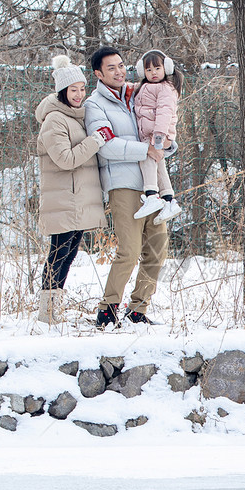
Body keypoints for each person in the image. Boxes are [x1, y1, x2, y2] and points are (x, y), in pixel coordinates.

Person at [84, 46, 174, 328]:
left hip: (153, 187)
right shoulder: (95, 104)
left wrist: (166, 146)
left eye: (121, 65)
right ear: (98, 73)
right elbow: (107, 146)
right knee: (130, 250)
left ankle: (138, 309)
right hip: (123, 184)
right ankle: (107, 311)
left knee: (157, 248)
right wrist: (146, 149)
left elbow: (160, 127)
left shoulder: (139, 92)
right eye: (111, 68)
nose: (119, 72)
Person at [35, 54, 114, 324]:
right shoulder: (54, 120)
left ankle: (54, 310)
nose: (79, 95)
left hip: (77, 200)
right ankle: (47, 314)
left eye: (82, 88)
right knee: (58, 254)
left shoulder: (76, 116)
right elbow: (65, 159)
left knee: (68, 254)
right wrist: (96, 140)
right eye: (73, 90)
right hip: (64, 199)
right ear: (62, 91)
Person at [131, 50, 183, 223]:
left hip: (156, 134)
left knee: (147, 156)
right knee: (159, 164)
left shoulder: (166, 88)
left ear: (166, 68)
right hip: (150, 132)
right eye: (149, 70)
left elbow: (164, 113)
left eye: (157, 68)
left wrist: (159, 136)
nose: (153, 73)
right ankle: (169, 200)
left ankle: (152, 194)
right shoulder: (145, 87)